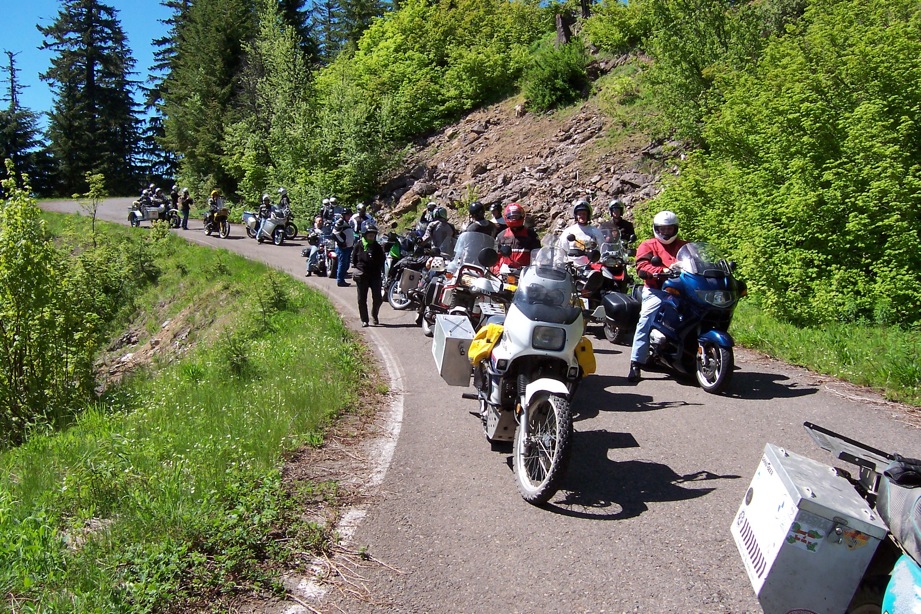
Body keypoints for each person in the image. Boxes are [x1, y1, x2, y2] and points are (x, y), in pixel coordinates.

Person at [627, 210, 688, 383]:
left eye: (670, 229)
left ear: (675, 229)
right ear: (656, 229)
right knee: (645, 319)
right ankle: (635, 363)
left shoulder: (685, 246)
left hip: (681, 289)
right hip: (657, 290)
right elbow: (642, 267)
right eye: (663, 229)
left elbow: (696, 259)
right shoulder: (648, 245)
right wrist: (660, 271)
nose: (666, 233)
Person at [351, 221, 385, 327]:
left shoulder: (378, 247)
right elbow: (354, 260)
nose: (371, 237)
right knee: (362, 299)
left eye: (373, 235)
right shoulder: (358, 245)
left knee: (378, 298)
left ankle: (374, 314)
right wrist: (360, 269)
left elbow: (382, 260)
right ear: (365, 235)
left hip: (375, 275)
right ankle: (364, 320)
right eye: (369, 235)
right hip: (362, 275)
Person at [495, 203, 540, 271]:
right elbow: (496, 257)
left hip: (525, 272)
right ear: (506, 217)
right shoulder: (501, 235)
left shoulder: (531, 235)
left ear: (521, 216)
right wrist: (496, 271)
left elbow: (538, 256)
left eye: (516, 216)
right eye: (511, 216)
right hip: (505, 272)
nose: (514, 218)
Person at [332, 216, 355, 286]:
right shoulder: (340, 222)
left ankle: (342, 279)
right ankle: (340, 280)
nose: (349, 216)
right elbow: (334, 233)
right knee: (342, 264)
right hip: (342, 248)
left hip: (349, 247)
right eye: (348, 214)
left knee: (346, 264)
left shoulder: (348, 222)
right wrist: (342, 242)